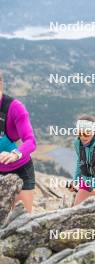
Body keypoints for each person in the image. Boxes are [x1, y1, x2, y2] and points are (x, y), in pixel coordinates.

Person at [0, 72, 37, 213]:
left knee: (21, 220)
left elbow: (31, 141)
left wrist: (15, 154)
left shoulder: (15, 108)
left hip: (20, 171)